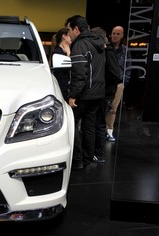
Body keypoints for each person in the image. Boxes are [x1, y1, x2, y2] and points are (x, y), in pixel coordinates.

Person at [65, 15, 106, 170]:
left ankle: (77, 161)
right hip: (98, 93)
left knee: (73, 126)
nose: (68, 33)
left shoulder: (80, 44)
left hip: (83, 94)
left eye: (69, 29)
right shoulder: (99, 43)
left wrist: (73, 95)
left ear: (76, 29)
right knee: (89, 126)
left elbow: (79, 73)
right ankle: (87, 159)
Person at [91, 27, 122, 163]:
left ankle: (99, 154)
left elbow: (116, 74)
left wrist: (103, 85)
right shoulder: (106, 51)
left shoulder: (108, 52)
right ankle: (97, 153)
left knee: (99, 124)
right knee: (98, 123)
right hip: (102, 92)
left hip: (104, 93)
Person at [105, 25, 130, 142]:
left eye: (118, 34)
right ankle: (100, 130)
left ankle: (109, 130)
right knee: (102, 107)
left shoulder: (125, 50)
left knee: (113, 108)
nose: (115, 36)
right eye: (113, 33)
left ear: (122, 35)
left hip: (118, 83)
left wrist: (124, 80)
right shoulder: (105, 47)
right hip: (105, 83)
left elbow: (128, 67)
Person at [50, 27, 72, 101]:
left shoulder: (64, 51)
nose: (71, 38)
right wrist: (69, 53)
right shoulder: (57, 53)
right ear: (64, 36)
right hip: (61, 89)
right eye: (69, 35)